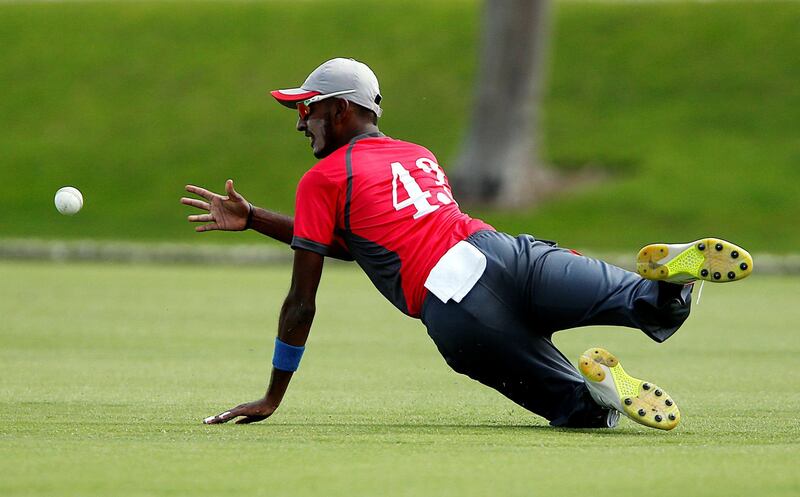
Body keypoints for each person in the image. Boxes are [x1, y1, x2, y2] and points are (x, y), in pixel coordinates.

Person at [181, 58, 753, 430]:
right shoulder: (417, 153)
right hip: (509, 254)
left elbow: (302, 301)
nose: (300, 122)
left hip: (461, 309)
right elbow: (367, 245)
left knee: (580, 415)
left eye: (307, 108)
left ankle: (597, 396)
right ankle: (673, 281)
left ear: (344, 109)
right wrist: (255, 217)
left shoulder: (324, 179)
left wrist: (273, 394)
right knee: (645, 300)